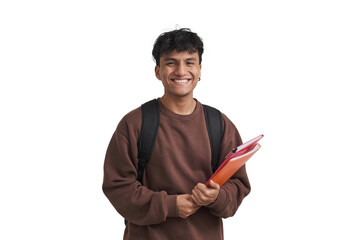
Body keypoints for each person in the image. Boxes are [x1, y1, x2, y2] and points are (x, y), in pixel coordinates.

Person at [102, 28, 251, 240]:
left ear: (200, 70)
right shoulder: (134, 123)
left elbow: (238, 185)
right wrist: (169, 206)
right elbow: (117, 187)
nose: (181, 71)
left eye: (189, 62)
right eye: (171, 63)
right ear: (157, 71)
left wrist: (217, 197)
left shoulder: (220, 124)